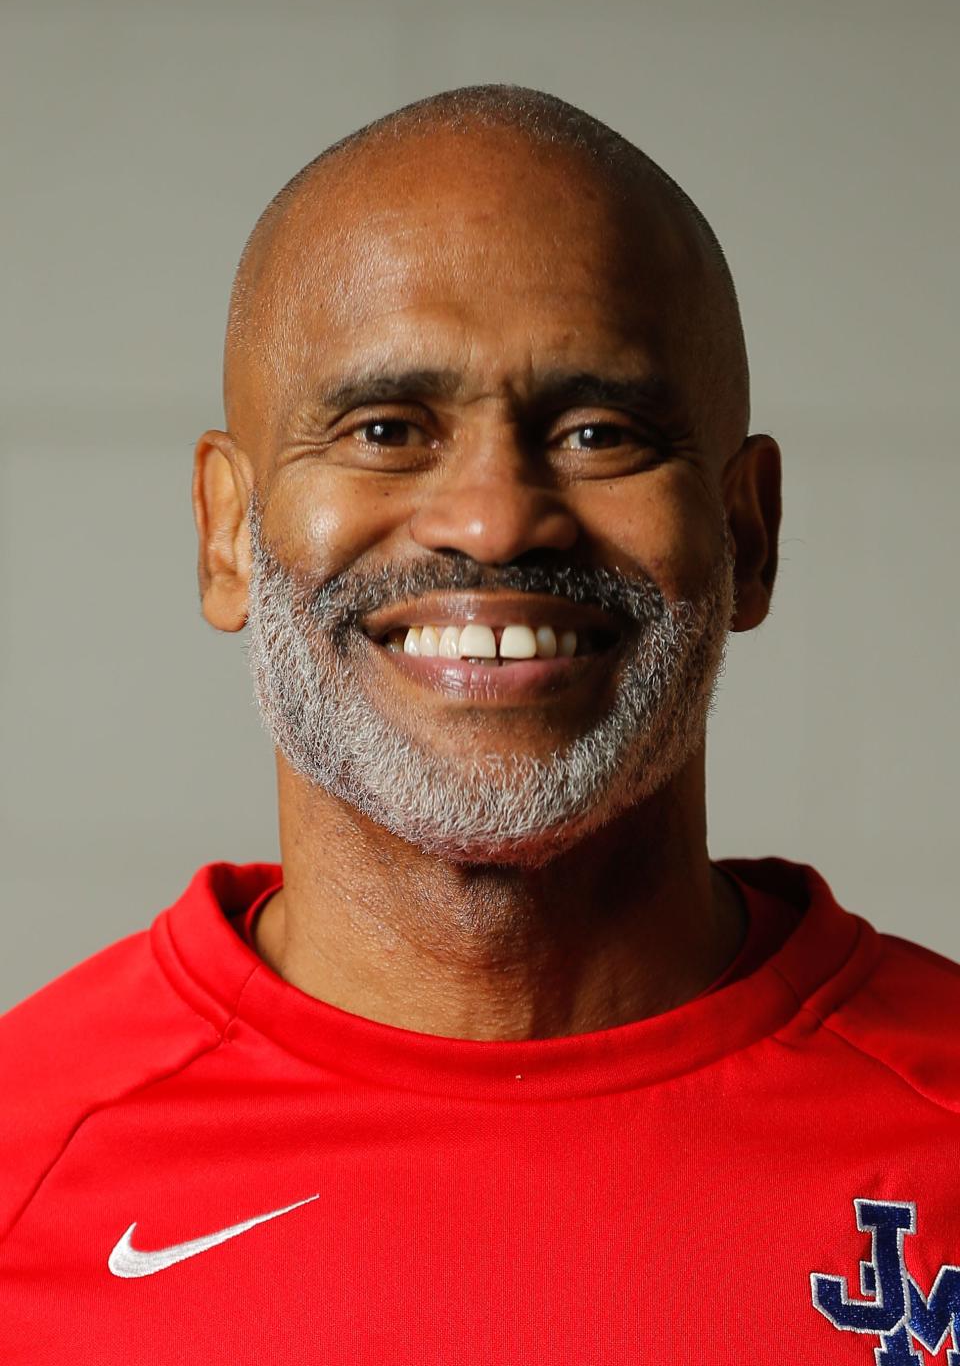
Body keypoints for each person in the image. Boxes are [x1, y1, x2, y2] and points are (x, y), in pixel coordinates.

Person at [1, 85, 958, 1366]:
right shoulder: (26, 1159)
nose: (496, 521)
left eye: (596, 432)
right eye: (385, 431)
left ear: (748, 531)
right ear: (227, 533)